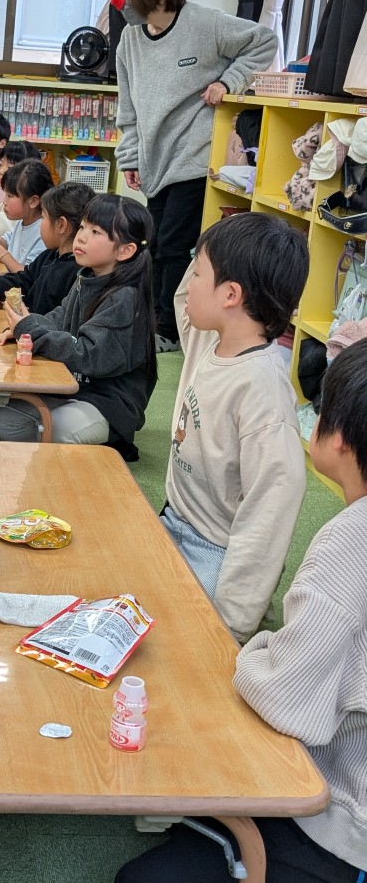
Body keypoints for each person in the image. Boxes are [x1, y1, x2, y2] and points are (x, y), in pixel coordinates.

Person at [116, 338, 367, 883]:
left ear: (339, 436)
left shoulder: (350, 542)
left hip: (341, 816)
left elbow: (285, 698)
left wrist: (253, 651)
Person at [114, 0, 277, 353]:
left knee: (172, 246)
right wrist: (130, 156)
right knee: (152, 244)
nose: (123, 0)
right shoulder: (130, 39)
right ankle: (151, 318)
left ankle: (168, 329)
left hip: (194, 155)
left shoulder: (204, 24)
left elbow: (263, 41)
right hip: (154, 159)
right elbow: (127, 106)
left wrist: (228, 82)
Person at [164, 213, 309, 643]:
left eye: (198, 273)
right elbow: (183, 298)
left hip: (215, 549)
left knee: (182, 640)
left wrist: (232, 623)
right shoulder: (209, 339)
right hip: (173, 520)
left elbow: (270, 512)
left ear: (230, 294)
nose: (189, 283)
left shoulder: (263, 391)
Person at [0, 194, 156, 456]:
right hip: (77, 388)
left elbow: (89, 355)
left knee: (61, 430)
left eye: (96, 231)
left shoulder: (125, 297)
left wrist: (32, 328)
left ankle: (111, 441)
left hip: (110, 401)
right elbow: (59, 317)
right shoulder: (86, 277)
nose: (82, 237)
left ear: (125, 250)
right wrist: (24, 327)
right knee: (3, 421)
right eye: (83, 227)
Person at [0, 181, 93, 319]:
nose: (39, 225)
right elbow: (24, 279)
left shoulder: (76, 272)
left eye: (43, 218)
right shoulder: (49, 255)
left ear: (61, 225)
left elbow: (53, 320)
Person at [0, 159, 52, 273]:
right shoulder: (23, 221)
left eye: (10, 196)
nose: (4, 201)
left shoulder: (44, 233)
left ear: (33, 201)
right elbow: (7, 242)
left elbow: (29, 275)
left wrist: (1, 254)